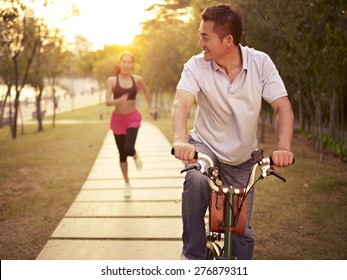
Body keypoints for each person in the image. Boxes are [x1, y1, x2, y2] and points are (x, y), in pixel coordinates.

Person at [171, 4, 294, 260]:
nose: (200, 42)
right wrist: (181, 140)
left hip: (242, 158)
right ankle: (192, 256)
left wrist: (283, 147)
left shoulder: (260, 63)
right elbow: (180, 104)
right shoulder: (196, 65)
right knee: (195, 180)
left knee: (241, 233)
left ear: (228, 40)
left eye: (205, 36)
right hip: (205, 149)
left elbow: (282, 107)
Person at [106, 51, 151, 198]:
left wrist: (150, 107)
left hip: (132, 117)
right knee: (122, 154)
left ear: (132, 64)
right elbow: (107, 101)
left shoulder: (137, 79)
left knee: (128, 147)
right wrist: (117, 101)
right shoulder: (112, 81)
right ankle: (127, 183)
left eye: (129, 62)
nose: (126, 65)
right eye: (123, 62)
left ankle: (134, 153)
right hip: (117, 120)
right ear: (119, 63)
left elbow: (146, 90)